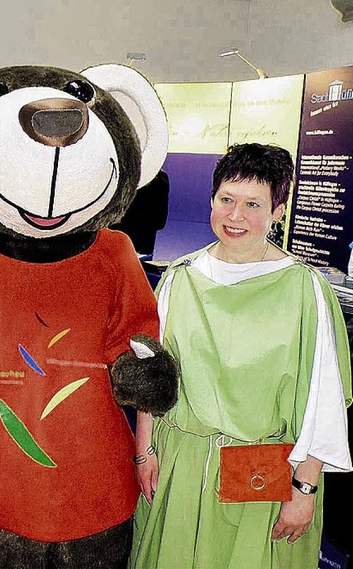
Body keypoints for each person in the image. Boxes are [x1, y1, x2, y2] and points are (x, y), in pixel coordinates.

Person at [130, 143, 352, 568]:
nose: (235, 216)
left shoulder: (305, 290)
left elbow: (322, 403)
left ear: (278, 210)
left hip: (262, 471)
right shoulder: (179, 279)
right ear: (211, 199)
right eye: (226, 199)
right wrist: (145, 452)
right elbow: (152, 378)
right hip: (182, 465)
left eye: (254, 204)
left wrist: (304, 491)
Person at [111, 169, 170, 258]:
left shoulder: (159, 178)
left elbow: (159, 219)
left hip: (133, 241)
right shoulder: (160, 177)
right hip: (137, 241)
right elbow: (160, 220)